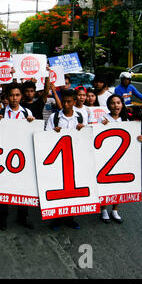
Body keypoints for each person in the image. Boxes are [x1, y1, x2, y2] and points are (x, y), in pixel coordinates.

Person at [0, 83, 35, 231]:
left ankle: (22, 217)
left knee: (23, 187)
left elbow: (33, 133)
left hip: (22, 156)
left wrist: (32, 123)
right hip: (4, 156)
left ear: (21, 96)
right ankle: (2, 217)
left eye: (17, 95)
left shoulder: (27, 113)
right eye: (11, 95)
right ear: (7, 97)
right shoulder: (0, 112)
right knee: (3, 187)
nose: (14, 98)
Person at [97, 94, 142, 224]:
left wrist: (139, 138)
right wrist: (101, 125)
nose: (116, 105)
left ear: (122, 104)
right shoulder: (102, 118)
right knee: (105, 185)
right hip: (106, 158)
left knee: (119, 185)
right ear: (108, 105)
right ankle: (104, 210)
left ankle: (115, 210)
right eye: (112, 103)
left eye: (118, 103)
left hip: (122, 159)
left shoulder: (127, 121)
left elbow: (133, 137)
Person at [46, 89, 87, 230]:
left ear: (74, 102)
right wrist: (53, 133)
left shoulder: (80, 117)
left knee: (72, 188)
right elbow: (45, 137)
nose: (66, 104)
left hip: (75, 157)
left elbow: (87, 137)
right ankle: (57, 218)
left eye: (69, 101)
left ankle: (70, 217)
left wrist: (83, 129)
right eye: (64, 101)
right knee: (58, 187)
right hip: (57, 158)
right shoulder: (54, 117)